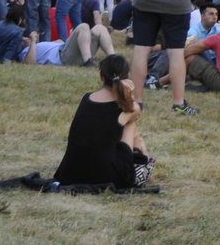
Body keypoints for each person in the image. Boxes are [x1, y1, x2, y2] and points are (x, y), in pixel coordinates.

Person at [52, 55, 153, 189]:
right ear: (126, 78)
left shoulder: (87, 98)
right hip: (105, 175)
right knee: (130, 124)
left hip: (71, 172)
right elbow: (136, 110)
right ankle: (145, 161)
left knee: (124, 123)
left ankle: (143, 159)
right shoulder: (123, 109)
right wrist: (129, 93)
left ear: (101, 76)